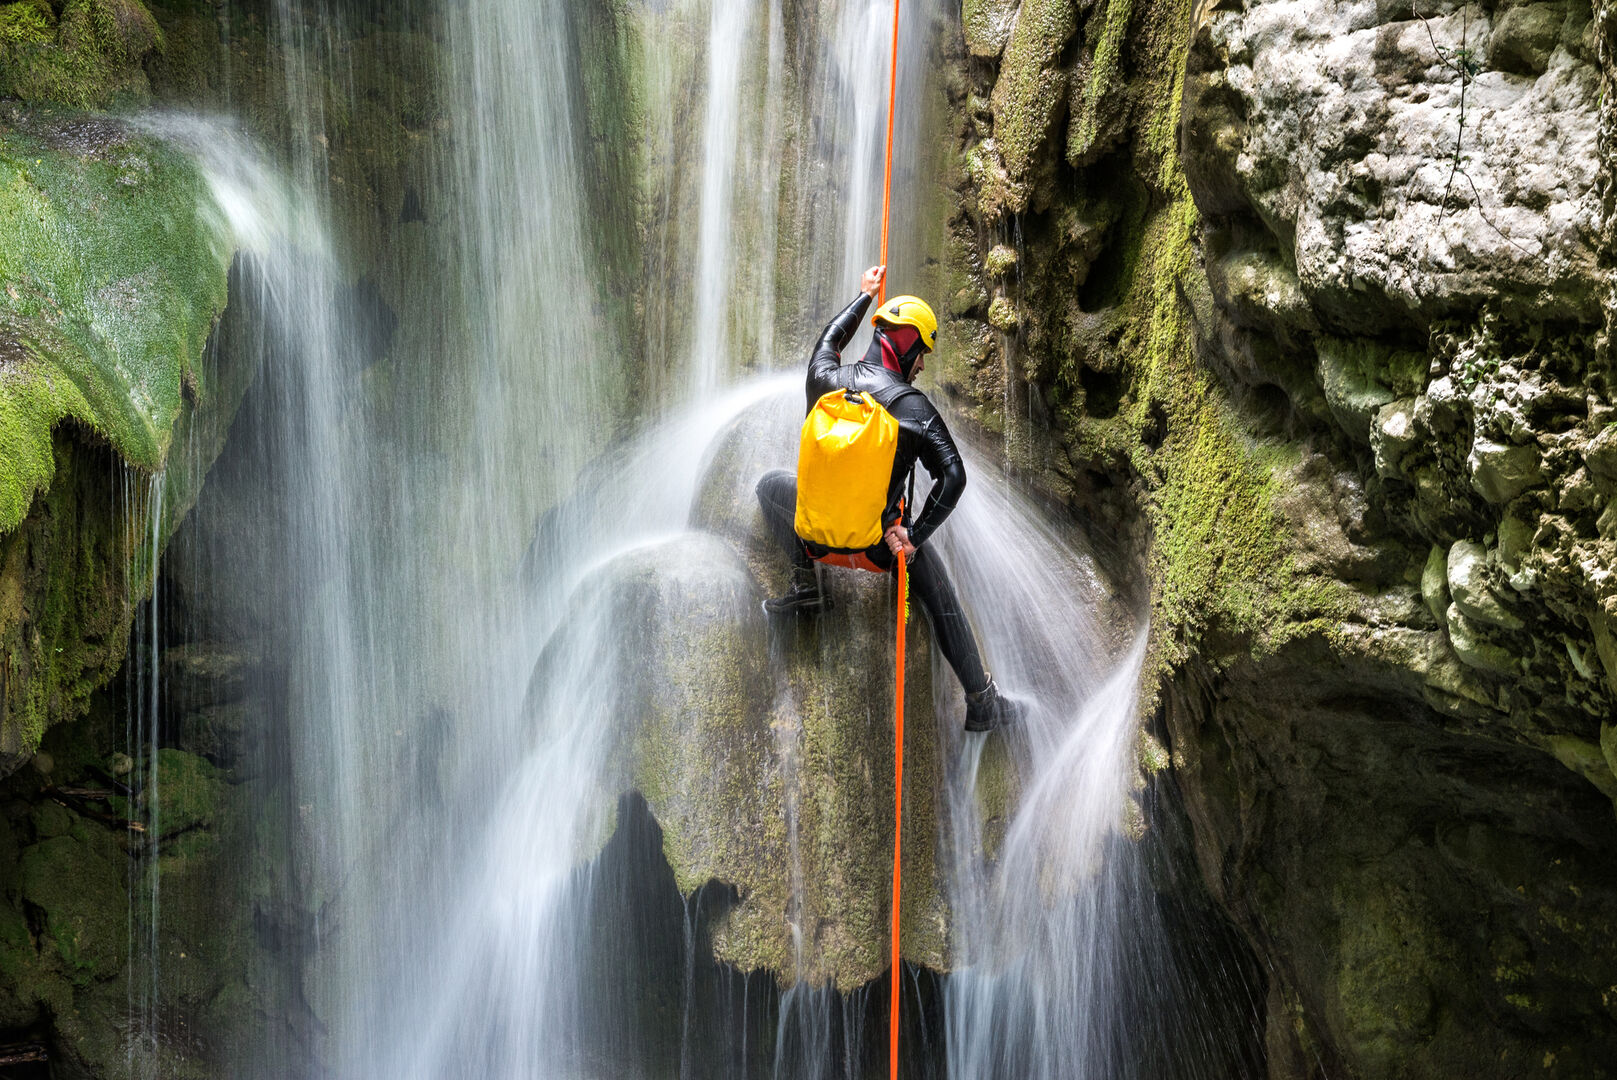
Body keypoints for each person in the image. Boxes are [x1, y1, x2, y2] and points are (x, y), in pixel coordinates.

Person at [755, 265, 1025, 733]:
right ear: (904, 345)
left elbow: (829, 340)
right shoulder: (913, 409)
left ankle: (804, 584)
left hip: (815, 539)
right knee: (941, 594)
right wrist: (914, 536)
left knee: (767, 487)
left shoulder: (823, 379)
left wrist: (864, 296)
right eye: (921, 351)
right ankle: (982, 700)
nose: (922, 364)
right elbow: (954, 477)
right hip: (881, 551)